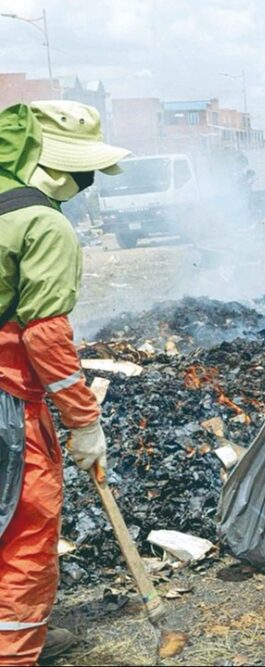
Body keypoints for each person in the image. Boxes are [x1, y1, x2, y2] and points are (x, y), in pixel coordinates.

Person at [0, 100, 129, 664]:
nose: (87, 182)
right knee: (25, 533)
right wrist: (84, 422)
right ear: (57, 166)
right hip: (7, 404)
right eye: (85, 170)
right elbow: (46, 336)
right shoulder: (43, 223)